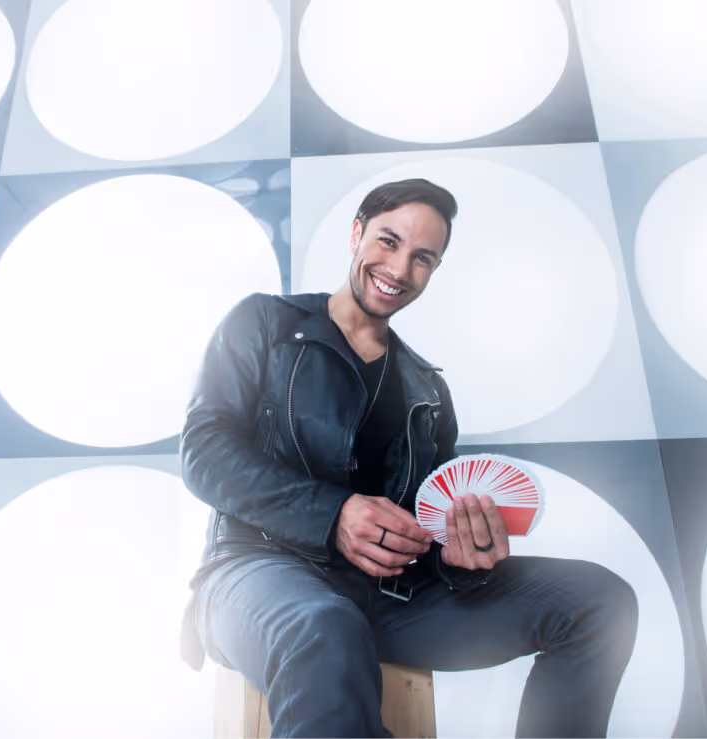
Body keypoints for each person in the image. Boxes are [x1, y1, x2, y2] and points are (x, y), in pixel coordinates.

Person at [179, 179, 638, 738]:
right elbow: (204, 452)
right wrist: (332, 515)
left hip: (391, 598)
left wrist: (461, 558)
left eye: (422, 257)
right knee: (327, 625)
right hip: (257, 572)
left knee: (598, 601)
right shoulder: (265, 323)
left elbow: (427, 528)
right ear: (356, 233)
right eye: (388, 241)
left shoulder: (427, 390)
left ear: (435, 269)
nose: (399, 269)